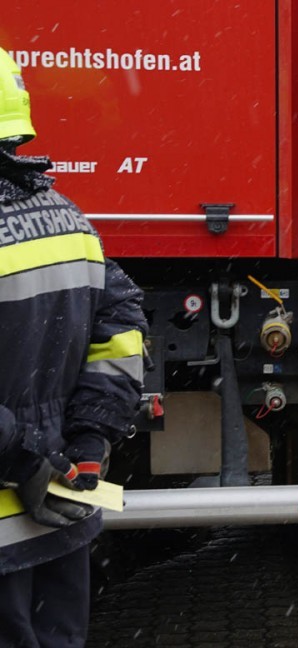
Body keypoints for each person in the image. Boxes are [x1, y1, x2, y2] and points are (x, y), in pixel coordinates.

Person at [0, 47, 147, 647]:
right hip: (61, 525)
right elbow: (122, 324)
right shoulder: (65, 217)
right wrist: (91, 435)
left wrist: (21, 460)